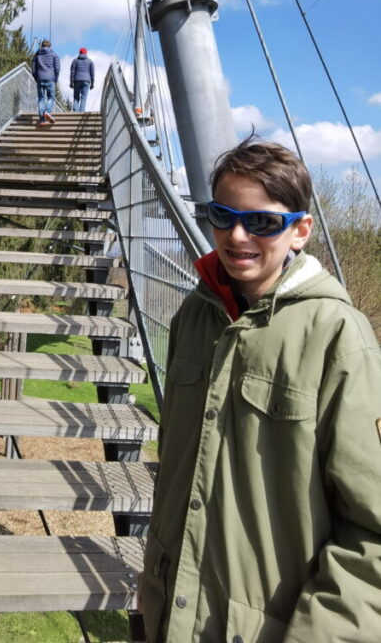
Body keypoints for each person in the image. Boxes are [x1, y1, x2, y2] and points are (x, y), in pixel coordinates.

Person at [139, 135, 381, 643]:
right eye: (222, 215)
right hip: (168, 613)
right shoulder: (193, 317)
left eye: (263, 222)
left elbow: (372, 534)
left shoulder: (338, 338)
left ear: (300, 231)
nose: (237, 235)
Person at [31, 39, 60, 126]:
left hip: (40, 78)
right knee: (51, 97)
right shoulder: (54, 55)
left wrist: (36, 77)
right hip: (50, 78)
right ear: (49, 46)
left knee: (41, 98)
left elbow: (33, 68)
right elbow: (57, 68)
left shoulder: (37, 55)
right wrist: (56, 78)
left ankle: (42, 120)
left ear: (42, 46)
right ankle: (47, 111)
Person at [69, 47, 95, 112]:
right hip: (86, 81)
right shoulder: (90, 61)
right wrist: (92, 83)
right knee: (83, 98)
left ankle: (76, 113)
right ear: (86, 53)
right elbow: (92, 73)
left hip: (77, 80)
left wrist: (71, 82)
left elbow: (72, 72)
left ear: (79, 53)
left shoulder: (75, 61)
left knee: (76, 97)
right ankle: (81, 113)